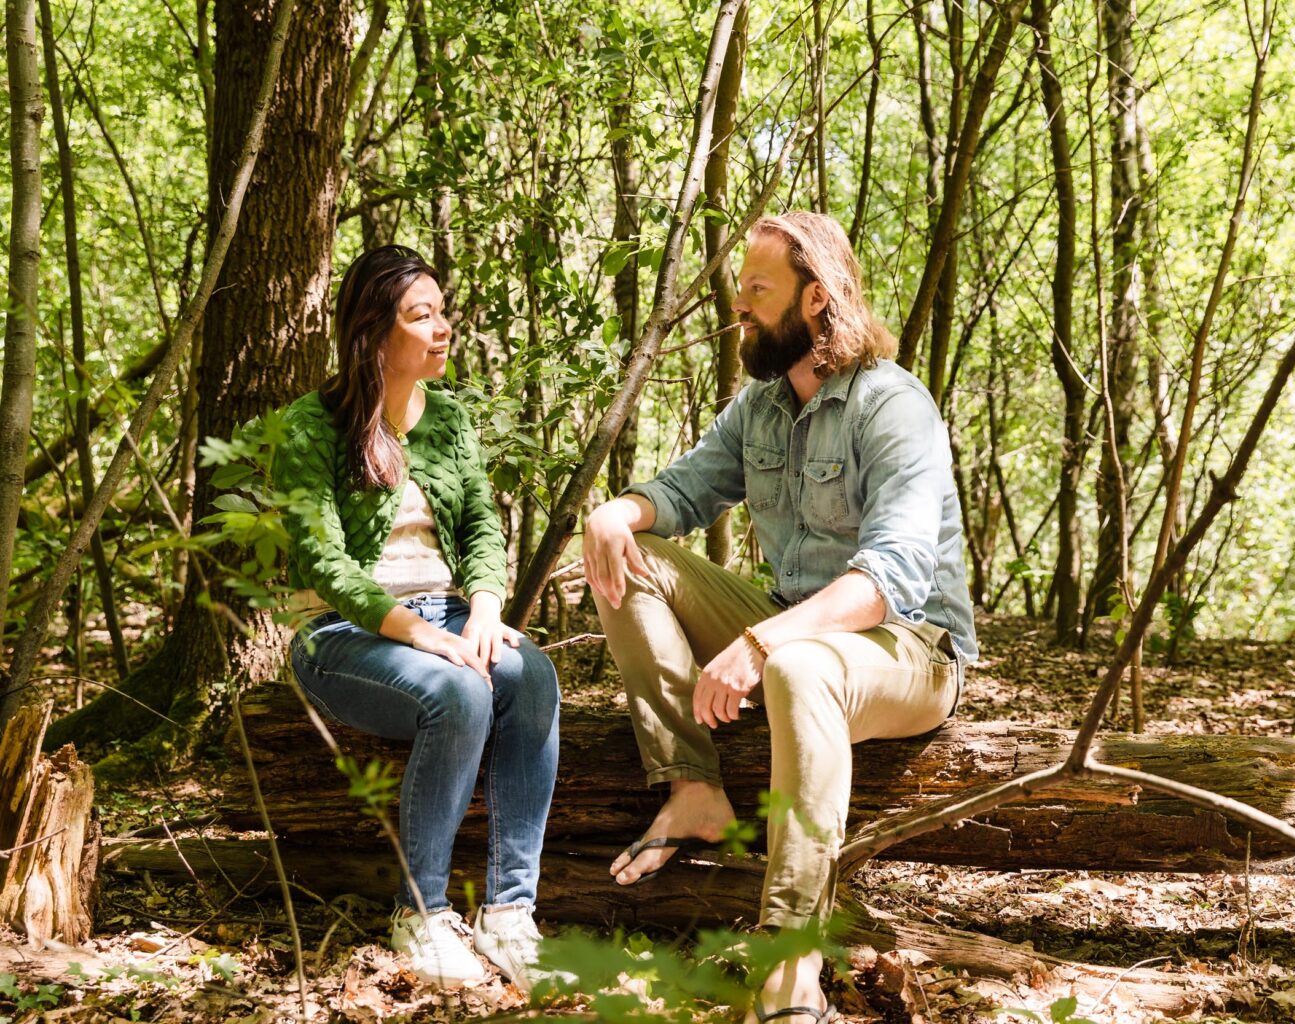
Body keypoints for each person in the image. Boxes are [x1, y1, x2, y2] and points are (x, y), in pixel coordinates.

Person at [584, 212, 977, 1023]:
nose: (739, 305)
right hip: (795, 624)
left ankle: (789, 971)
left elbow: (892, 577)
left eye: (758, 289)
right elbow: (684, 490)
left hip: (911, 647)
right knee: (630, 553)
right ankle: (693, 786)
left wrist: (763, 643)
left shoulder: (892, 406)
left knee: (798, 665)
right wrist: (616, 512)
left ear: (816, 299)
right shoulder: (759, 406)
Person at [273, 245, 560, 990]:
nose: (442, 328)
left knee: (532, 677)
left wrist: (486, 608)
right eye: (420, 315)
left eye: (441, 312)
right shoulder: (311, 425)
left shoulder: (451, 419)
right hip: (343, 636)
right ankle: (421, 913)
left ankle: (509, 913)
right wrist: (425, 637)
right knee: (459, 691)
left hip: (449, 614)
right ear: (374, 332)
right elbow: (325, 563)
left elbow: (482, 527)